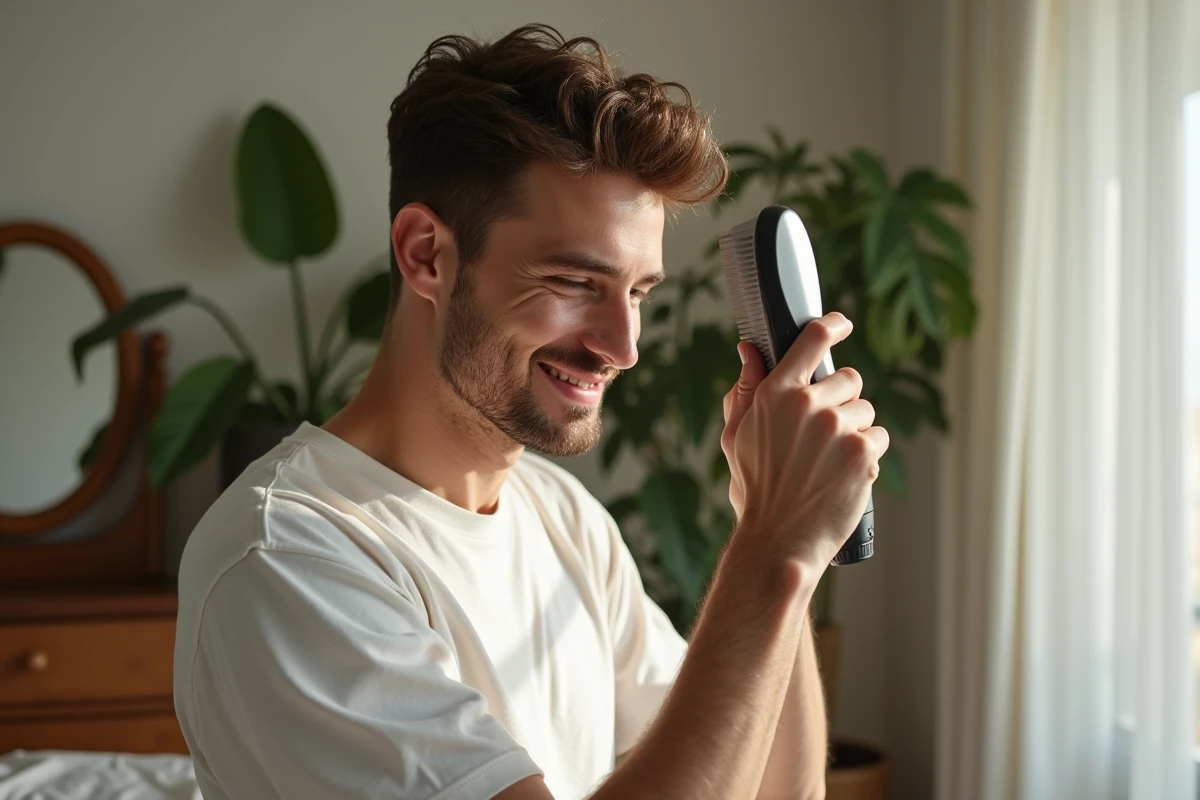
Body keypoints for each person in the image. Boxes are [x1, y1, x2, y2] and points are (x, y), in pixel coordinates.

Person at [173, 23, 887, 800]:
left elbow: (774, 791)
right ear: (426, 255)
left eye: (639, 293)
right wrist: (770, 549)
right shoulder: (287, 558)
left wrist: (789, 538)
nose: (624, 347)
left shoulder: (563, 518)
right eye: (575, 283)